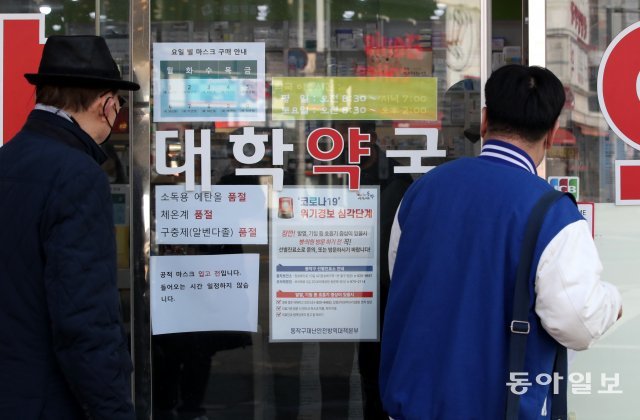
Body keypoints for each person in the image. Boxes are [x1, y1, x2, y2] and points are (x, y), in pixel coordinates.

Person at [379, 64, 623, 419]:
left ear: (484, 119)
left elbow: (399, 273)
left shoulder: (420, 192)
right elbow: (577, 322)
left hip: (410, 404)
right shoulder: (553, 214)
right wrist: (612, 302)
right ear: (552, 133)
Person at [0, 35, 139, 419]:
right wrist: (114, 410)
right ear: (106, 103)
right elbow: (85, 319)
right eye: (119, 104)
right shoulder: (78, 175)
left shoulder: (6, 159)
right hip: (48, 399)